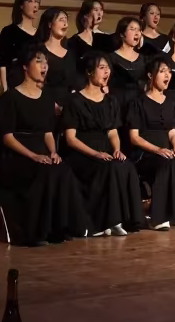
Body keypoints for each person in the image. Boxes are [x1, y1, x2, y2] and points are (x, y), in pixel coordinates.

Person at [0, 45, 89, 245]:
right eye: (39, 61)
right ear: (25, 67)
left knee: (62, 170)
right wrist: (33, 156)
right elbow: (7, 137)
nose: (44, 66)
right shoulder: (10, 98)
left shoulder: (46, 97)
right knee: (44, 172)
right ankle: (35, 232)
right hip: (16, 156)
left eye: (46, 62)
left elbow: (47, 132)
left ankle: (59, 229)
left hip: (41, 152)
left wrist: (53, 152)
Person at [62, 53, 146, 235]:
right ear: (89, 72)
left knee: (126, 166)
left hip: (106, 150)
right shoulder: (74, 101)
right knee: (108, 167)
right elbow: (70, 138)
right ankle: (104, 220)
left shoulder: (110, 101)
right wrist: (95, 154)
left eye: (108, 68)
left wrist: (117, 150)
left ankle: (121, 219)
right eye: (101, 67)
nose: (107, 71)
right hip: (82, 153)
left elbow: (113, 132)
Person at [126, 57, 175, 230]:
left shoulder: (170, 102)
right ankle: (158, 217)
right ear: (150, 76)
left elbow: (172, 132)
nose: (167, 75)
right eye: (162, 72)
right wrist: (158, 150)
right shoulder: (138, 103)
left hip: (166, 151)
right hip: (145, 153)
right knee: (165, 163)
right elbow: (134, 137)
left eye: (169, 72)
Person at [35, 7, 75, 121]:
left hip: (68, 108)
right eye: (61, 20)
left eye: (66, 20)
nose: (65, 23)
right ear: (49, 24)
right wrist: (51, 104)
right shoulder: (39, 50)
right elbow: (35, 81)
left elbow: (73, 83)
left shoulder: (71, 53)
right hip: (44, 104)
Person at [0, 0, 40, 91]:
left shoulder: (41, 34)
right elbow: (3, 62)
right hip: (16, 82)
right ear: (21, 5)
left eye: (37, 2)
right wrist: (5, 88)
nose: (35, 5)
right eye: (31, 1)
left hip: (37, 84)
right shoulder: (9, 31)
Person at [67, 0, 111, 86]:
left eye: (101, 10)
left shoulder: (106, 39)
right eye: (95, 10)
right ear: (86, 15)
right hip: (82, 84)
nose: (99, 13)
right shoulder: (74, 41)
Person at [107, 17, 147, 109]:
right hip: (117, 104)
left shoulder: (144, 59)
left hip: (138, 105)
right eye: (132, 29)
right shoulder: (110, 58)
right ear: (122, 34)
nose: (137, 33)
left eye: (139, 30)